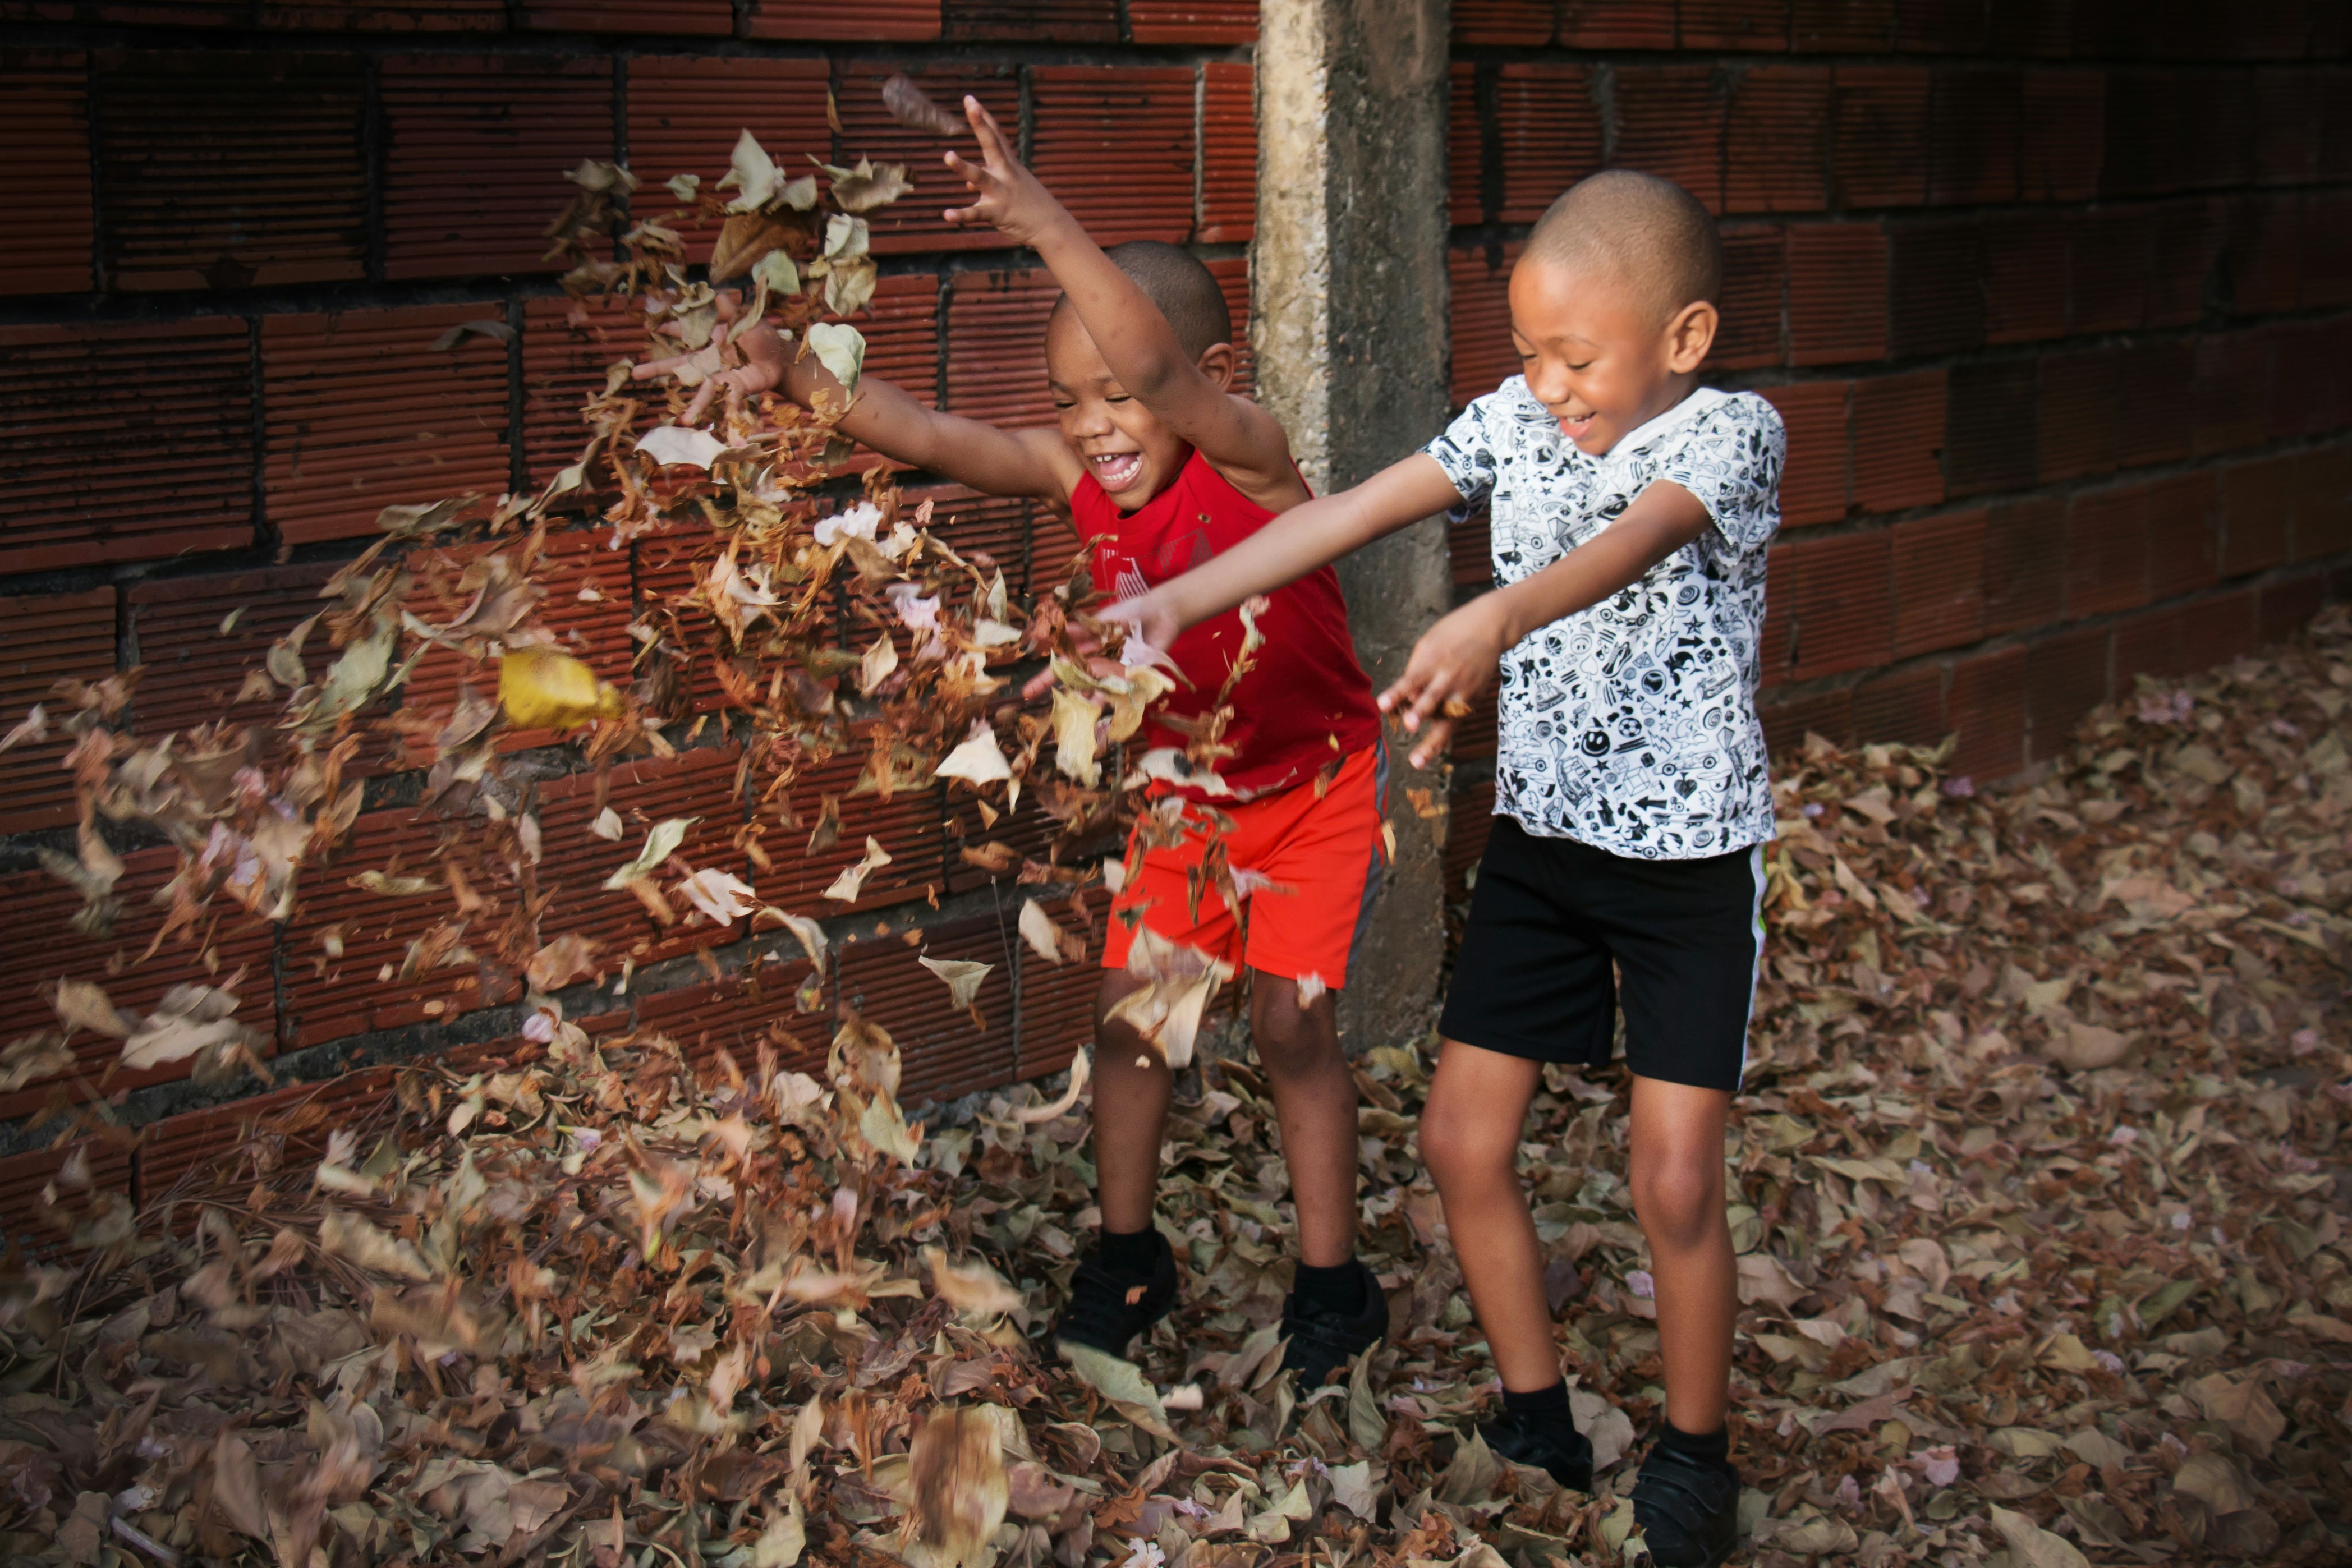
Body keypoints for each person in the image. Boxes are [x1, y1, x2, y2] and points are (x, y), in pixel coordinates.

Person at [647, 98, 1393, 1383]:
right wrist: (798, 375)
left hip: (1316, 790)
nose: (1097, 423)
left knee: (1287, 1032)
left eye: (1117, 396)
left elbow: (1159, 374)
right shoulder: (1072, 478)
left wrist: (1042, 221)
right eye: (1069, 400)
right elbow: (929, 433)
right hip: (1188, 798)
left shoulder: (1257, 466)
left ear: (1210, 384)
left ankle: (1334, 1287)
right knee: (1132, 1027)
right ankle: (1126, 1257)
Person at [1105, 169, 1779, 1568]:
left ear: (1684, 339)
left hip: (1684, 873)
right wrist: (1175, 596)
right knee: (1460, 1144)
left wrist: (1490, 619)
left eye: (1575, 358)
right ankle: (1534, 1418)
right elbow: (1338, 516)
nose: (1545, 384)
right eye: (1526, 352)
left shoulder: (1732, 434)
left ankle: (1696, 1461)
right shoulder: (1513, 423)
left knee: (1672, 1182)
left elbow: (1630, 541)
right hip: (1541, 855)